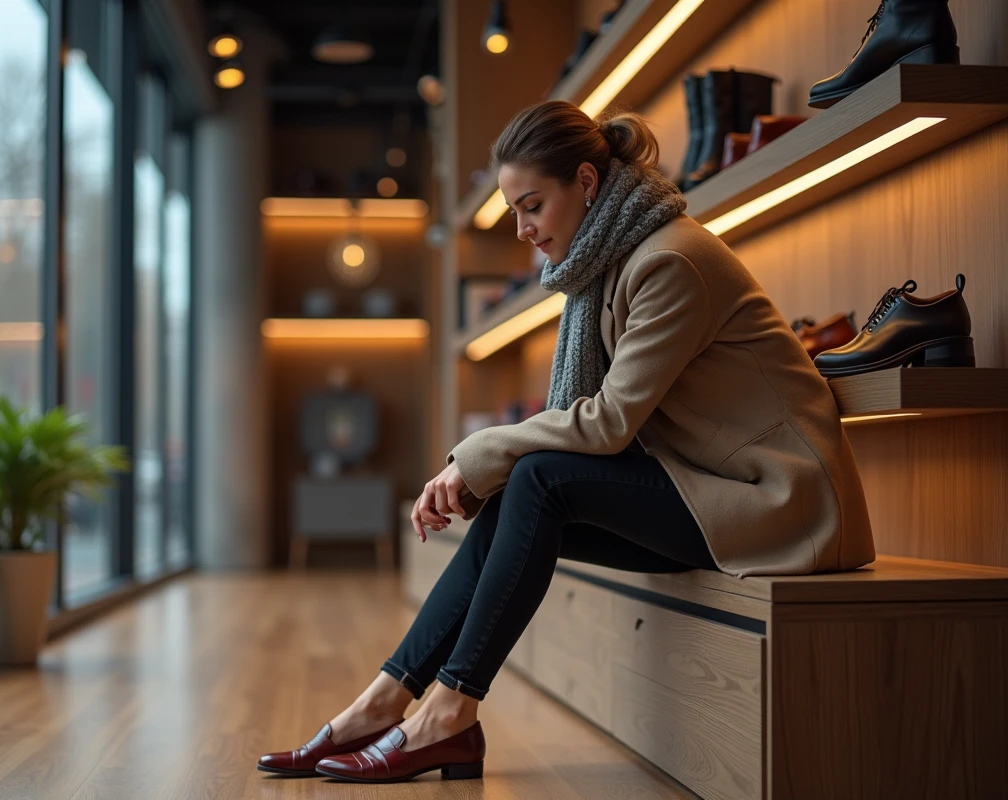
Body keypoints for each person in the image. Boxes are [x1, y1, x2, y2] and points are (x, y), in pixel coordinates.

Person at [257, 100, 875, 783]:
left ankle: (446, 713)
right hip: (709, 489)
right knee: (523, 490)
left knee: (537, 479)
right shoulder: (608, 265)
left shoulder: (670, 261)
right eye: (514, 212)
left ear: (585, 184)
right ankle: (388, 701)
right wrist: (486, 466)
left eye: (532, 207)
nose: (522, 230)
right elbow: (601, 421)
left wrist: (478, 456)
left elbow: (608, 421)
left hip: (781, 505)